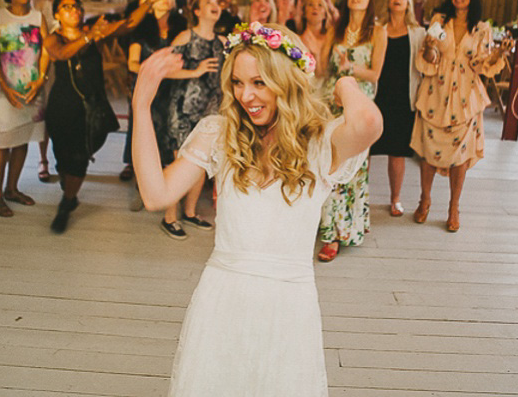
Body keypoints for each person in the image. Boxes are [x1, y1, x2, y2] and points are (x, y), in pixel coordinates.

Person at [130, 24, 381, 396]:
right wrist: (141, 105)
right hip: (222, 298)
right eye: (237, 82)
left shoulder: (320, 143)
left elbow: (367, 122)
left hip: (288, 307)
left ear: (288, 80)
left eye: (259, 82)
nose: (245, 95)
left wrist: (345, 84)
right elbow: (155, 194)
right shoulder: (219, 134)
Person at [43, 0, 167, 233]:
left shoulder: (95, 34)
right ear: (57, 13)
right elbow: (60, 54)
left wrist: (149, 2)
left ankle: (66, 204)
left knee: (79, 157)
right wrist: (90, 37)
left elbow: (128, 24)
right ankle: (69, 188)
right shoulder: (54, 38)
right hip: (61, 104)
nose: (74, 10)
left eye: (77, 6)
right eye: (67, 6)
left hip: (91, 106)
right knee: (62, 158)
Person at [411, 0, 511, 232]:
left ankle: (454, 207)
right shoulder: (439, 20)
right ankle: (425, 200)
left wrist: (499, 54)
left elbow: (481, 64)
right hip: (436, 90)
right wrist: (430, 50)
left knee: (460, 156)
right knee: (429, 149)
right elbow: (430, 58)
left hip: (465, 95)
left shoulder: (481, 28)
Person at [317, 0, 387, 262]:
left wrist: (351, 68)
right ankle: (331, 233)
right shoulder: (335, 29)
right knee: (331, 162)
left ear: (369, 1)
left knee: (355, 167)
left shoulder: (377, 32)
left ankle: (350, 224)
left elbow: (375, 74)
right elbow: (322, 68)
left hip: (361, 102)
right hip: (333, 101)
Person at [31, 0, 98, 181]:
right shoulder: (41, 4)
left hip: (71, 63)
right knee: (46, 112)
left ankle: (67, 158)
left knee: (68, 112)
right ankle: (43, 159)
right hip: (47, 63)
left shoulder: (70, 5)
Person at [160, 0, 226, 239]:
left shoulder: (223, 42)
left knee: (201, 164)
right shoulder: (185, 37)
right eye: (208, 2)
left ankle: (189, 212)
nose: (214, 6)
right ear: (196, 11)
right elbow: (165, 70)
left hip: (211, 110)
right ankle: (170, 217)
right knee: (181, 164)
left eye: (216, 3)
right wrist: (195, 71)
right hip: (183, 108)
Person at [0, 0, 49, 218]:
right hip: (4, 89)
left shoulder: (37, 17)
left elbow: (44, 52)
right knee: (3, 143)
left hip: (32, 88)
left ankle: (12, 189)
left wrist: (40, 79)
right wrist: (6, 87)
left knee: (22, 140)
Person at [123, 0, 188, 211]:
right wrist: (151, 70)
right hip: (149, 91)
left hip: (173, 91)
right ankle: (141, 188)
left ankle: (168, 190)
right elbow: (132, 62)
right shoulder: (142, 31)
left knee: (169, 139)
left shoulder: (182, 31)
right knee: (144, 136)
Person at [370, 0, 425, 217]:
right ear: (388, 2)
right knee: (366, 149)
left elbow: (424, 64)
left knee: (397, 152)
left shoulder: (418, 32)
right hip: (376, 94)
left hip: (403, 97)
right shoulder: (377, 30)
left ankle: (395, 199)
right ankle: (361, 196)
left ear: (409, 3)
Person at [119, 0, 162, 182]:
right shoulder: (134, 6)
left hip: (159, 60)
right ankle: (130, 161)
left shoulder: (163, 5)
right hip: (138, 58)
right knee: (136, 115)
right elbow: (129, 29)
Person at [299, 0, 330, 77]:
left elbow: (322, 74)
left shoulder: (329, 38)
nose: (315, 8)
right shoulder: (297, 38)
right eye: (310, 5)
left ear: (325, 15)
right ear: (304, 13)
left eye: (320, 5)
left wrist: (316, 54)